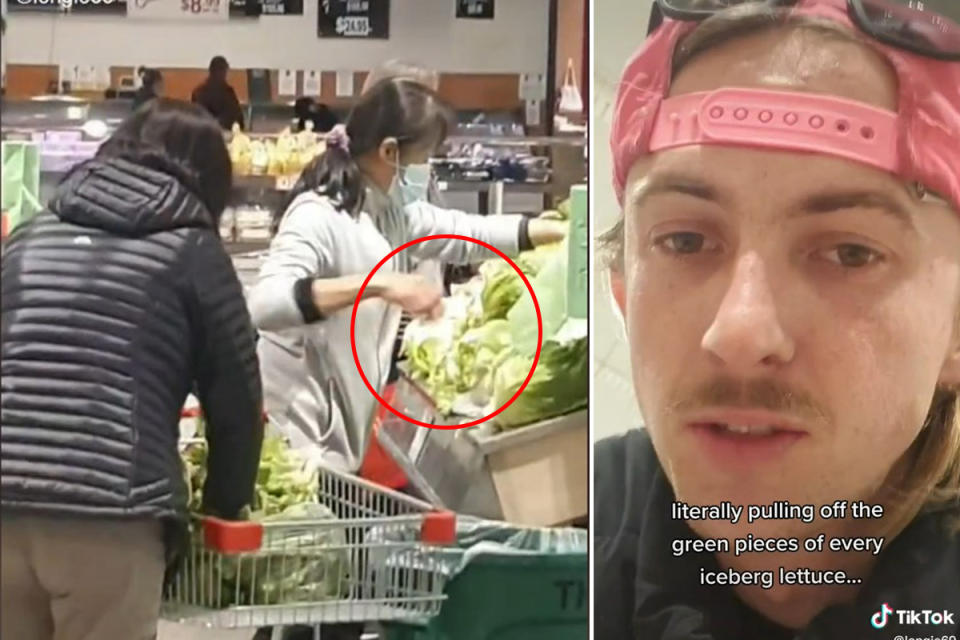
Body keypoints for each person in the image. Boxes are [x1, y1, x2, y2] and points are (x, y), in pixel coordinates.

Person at [594, 1, 960, 639]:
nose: (740, 332)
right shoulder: (575, 553)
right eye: (683, 242)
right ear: (624, 292)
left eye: (850, 253)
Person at [0, 98, 264, 640]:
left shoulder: (28, 237)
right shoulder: (193, 249)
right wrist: (223, 507)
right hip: (109, 515)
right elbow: (237, 400)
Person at [192, 55, 245, 130]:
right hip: (211, 132)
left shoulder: (228, 91)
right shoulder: (200, 92)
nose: (225, 75)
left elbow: (238, 115)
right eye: (223, 71)